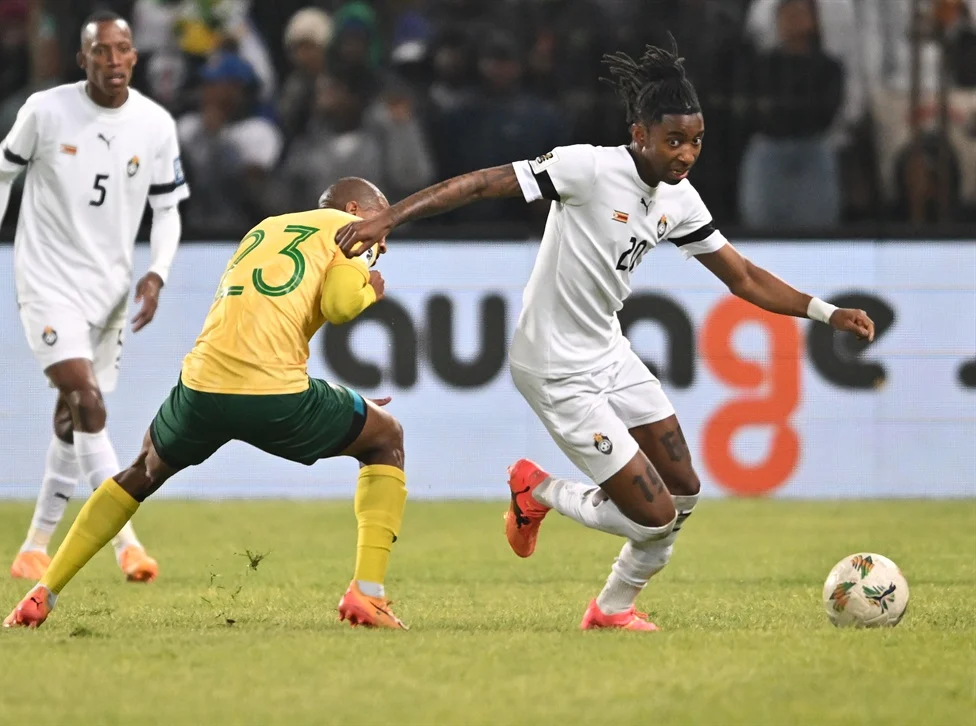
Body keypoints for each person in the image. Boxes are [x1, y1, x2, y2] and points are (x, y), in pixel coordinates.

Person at [334, 38, 876, 632]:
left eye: (696, 140)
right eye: (674, 140)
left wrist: (826, 312)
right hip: (553, 367)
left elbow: (742, 276)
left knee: (684, 494)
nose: (687, 154)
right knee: (653, 518)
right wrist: (390, 217)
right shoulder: (587, 168)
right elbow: (483, 183)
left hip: (609, 353)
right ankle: (537, 491)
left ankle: (612, 609)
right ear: (639, 134)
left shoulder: (680, 199)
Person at [4, 177, 410, 632]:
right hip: (273, 394)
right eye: (382, 221)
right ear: (354, 209)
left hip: (201, 385)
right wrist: (370, 289)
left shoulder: (267, 229)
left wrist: (342, 399)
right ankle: (367, 593)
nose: (383, 240)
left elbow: (259, 320)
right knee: (385, 437)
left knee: (141, 471)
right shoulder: (350, 234)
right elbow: (339, 305)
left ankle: (42, 592)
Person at [0, 11, 189, 584]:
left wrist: (157, 273)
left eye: (122, 49)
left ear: (135, 56)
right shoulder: (45, 111)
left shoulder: (155, 124)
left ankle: (34, 546)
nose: (113, 60)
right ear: (81, 59)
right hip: (47, 282)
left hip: (109, 291)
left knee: (72, 416)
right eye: (100, 51)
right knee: (88, 402)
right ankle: (126, 545)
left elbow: (167, 210)